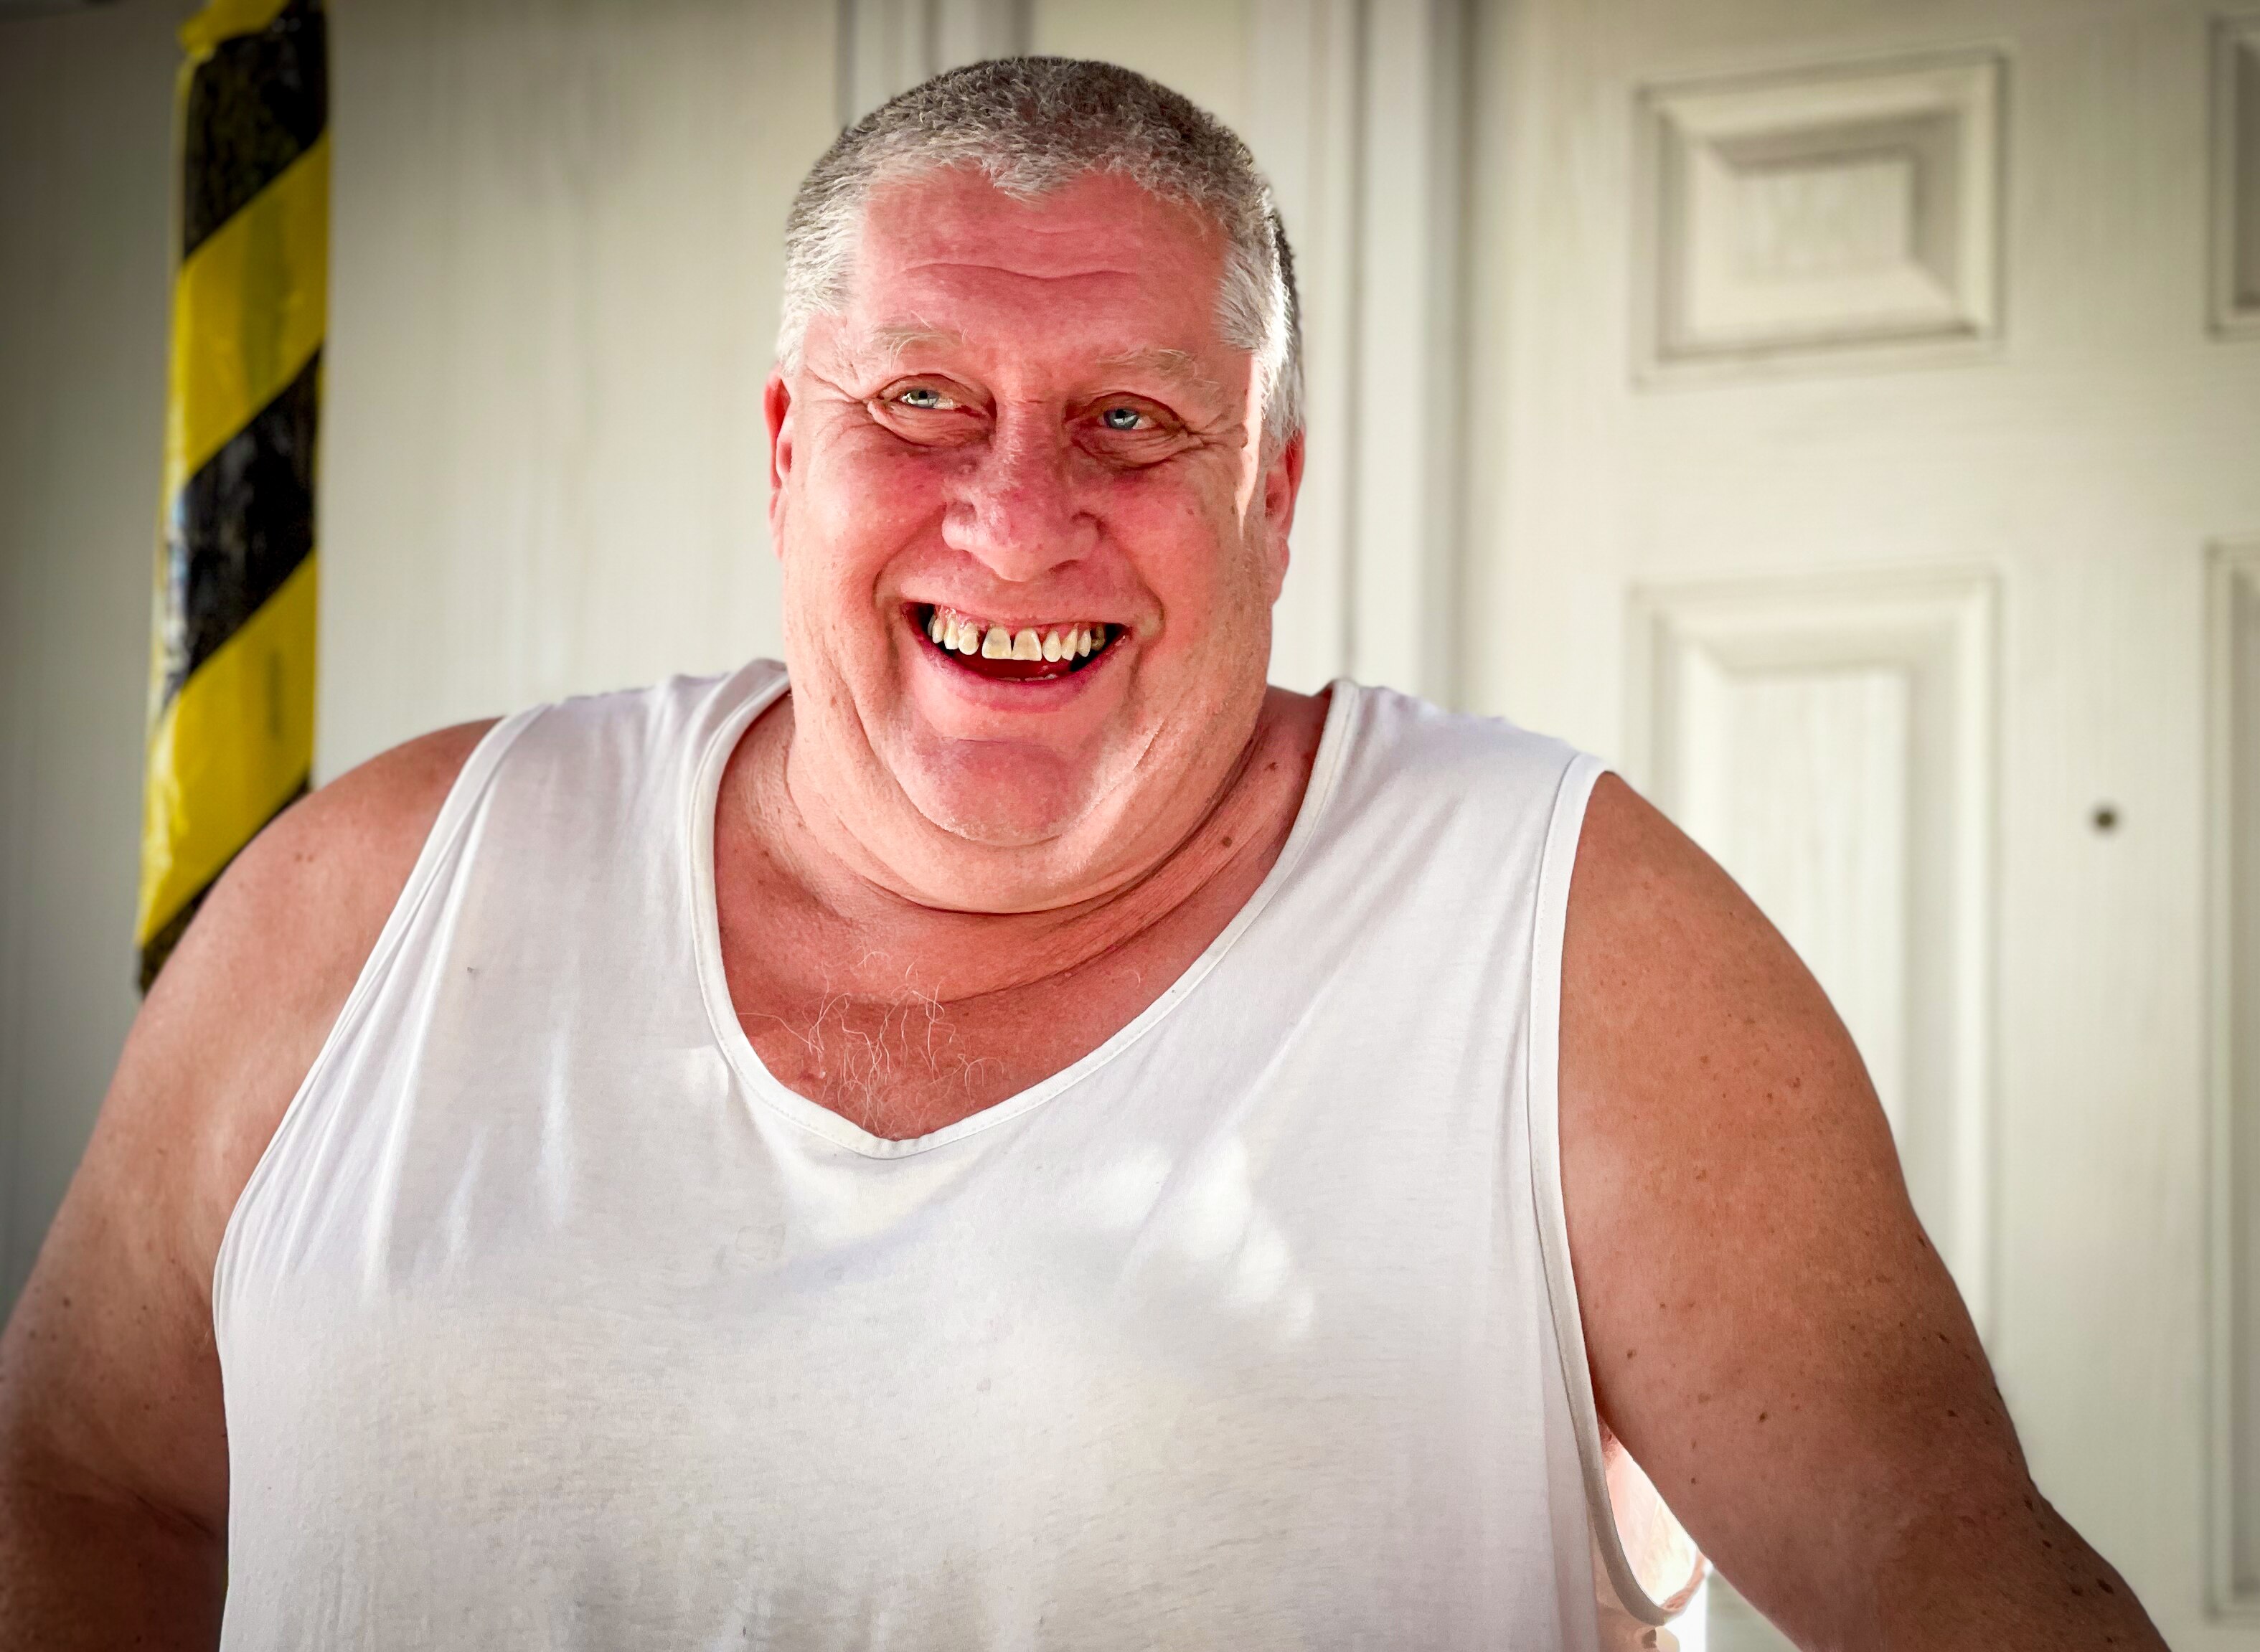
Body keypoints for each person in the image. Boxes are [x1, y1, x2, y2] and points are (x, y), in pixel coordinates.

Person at [0, 57, 2163, 1651]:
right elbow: (81, 1480)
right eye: (921, 402)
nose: (1014, 517)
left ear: (1277, 497)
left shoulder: (1560, 933)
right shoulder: (387, 881)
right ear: (786, 449)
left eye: (1132, 421)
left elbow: (1950, 1575)